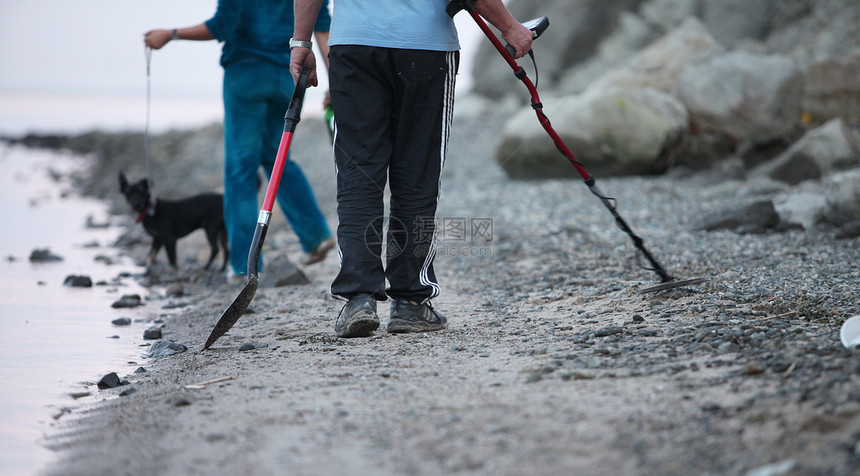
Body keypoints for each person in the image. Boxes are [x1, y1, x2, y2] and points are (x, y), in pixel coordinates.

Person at [290, 0, 532, 337]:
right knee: (416, 177)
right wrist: (510, 27)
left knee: (358, 177)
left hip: (353, 47)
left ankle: (359, 298)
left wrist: (301, 43)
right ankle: (410, 302)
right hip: (424, 45)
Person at [143, 0, 336, 284]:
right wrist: (338, 82)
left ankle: (242, 264)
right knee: (277, 157)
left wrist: (170, 34)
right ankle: (315, 236)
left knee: (240, 168)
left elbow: (222, 26)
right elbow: (321, 27)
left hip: (245, 76)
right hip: (289, 74)